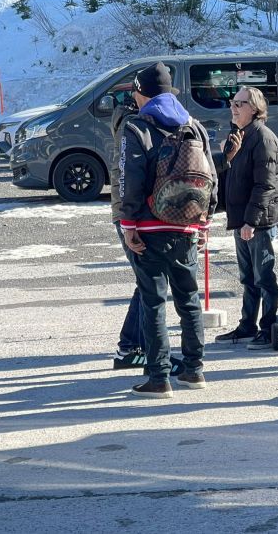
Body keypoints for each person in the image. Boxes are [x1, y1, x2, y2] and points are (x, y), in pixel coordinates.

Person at [119, 62, 217, 398]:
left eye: (134, 91)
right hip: (187, 224)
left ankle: (159, 377)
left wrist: (128, 224)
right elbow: (211, 177)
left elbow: (129, 179)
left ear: (141, 92)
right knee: (189, 301)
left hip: (149, 226)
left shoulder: (137, 127)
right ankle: (194, 370)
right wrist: (204, 220)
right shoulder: (194, 126)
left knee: (153, 302)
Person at [110, 89, 185, 376]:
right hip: (136, 216)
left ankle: (132, 347)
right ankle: (137, 351)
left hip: (132, 215)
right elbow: (132, 178)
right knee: (151, 284)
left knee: (147, 283)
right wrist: (130, 221)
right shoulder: (135, 127)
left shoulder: (128, 124)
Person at [213, 86, 278, 350]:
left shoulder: (263, 138)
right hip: (242, 218)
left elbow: (266, 185)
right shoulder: (240, 135)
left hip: (258, 221)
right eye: (232, 103)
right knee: (247, 277)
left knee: (263, 276)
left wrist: (251, 222)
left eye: (239, 104)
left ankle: (268, 327)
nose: (233, 108)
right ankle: (247, 325)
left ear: (254, 108)